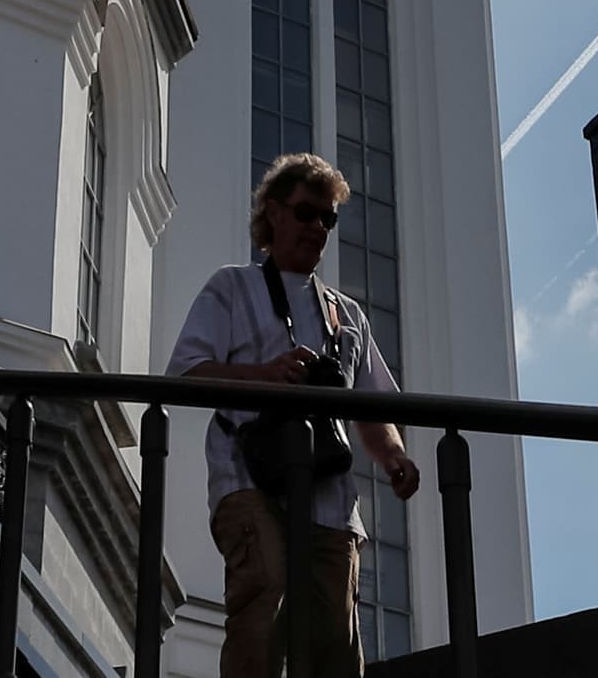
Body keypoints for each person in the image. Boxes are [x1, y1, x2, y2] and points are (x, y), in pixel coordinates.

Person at [169, 152, 422, 678]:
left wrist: (395, 455)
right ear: (274, 212)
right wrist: (267, 375)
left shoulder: (347, 316)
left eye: (328, 218)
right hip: (250, 480)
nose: (318, 228)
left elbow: (373, 407)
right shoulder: (232, 287)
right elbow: (187, 375)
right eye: (307, 212)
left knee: (335, 639)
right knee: (267, 592)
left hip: (330, 499)